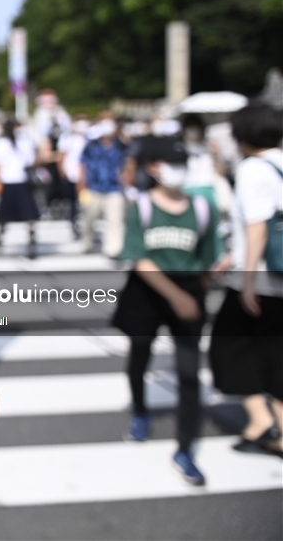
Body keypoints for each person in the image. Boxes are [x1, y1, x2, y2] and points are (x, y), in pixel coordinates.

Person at [114, 137, 222, 486]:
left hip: (188, 292)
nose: (178, 170)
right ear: (153, 168)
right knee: (139, 354)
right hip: (149, 293)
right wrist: (176, 296)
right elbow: (139, 259)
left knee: (189, 373)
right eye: (170, 163)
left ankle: (185, 447)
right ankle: (140, 409)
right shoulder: (142, 207)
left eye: (182, 162)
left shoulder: (203, 207)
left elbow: (208, 259)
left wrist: (202, 287)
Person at [209, 105, 283, 457]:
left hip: (263, 278)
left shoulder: (254, 169)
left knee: (228, 348)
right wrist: (232, 256)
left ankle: (259, 420)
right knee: (275, 351)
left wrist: (248, 279)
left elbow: (257, 229)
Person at [0, 118, 39, 257]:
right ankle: (31, 236)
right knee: (29, 213)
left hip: (7, 181)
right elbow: (31, 161)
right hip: (22, 180)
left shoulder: (0, 143)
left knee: (5, 213)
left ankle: (0, 235)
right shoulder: (25, 142)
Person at [79, 112, 126, 257]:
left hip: (114, 188)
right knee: (89, 218)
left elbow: (127, 164)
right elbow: (82, 165)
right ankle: (87, 241)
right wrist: (81, 184)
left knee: (115, 220)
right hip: (93, 187)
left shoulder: (121, 145)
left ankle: (113, 249)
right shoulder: (91, 145)